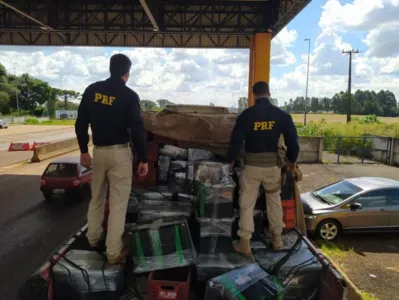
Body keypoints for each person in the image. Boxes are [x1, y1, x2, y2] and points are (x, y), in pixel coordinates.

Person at [75, 53, 148, 264]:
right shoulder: (129, 96)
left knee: (96, 197)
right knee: (118, 204)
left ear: (110, 69)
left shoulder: (92, 90)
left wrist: (83, 151)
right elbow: (137, 131)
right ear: (126, 73)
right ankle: (113, 252)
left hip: (98, 152)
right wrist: (143, 158)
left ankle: (92, 239)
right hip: (119, 153)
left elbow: (81, 123)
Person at [226, 81, 299, 258]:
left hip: (251, 168)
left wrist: (229, 160)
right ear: (269, 93)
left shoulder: (246, 115)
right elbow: (293, 142)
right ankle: (277, 239)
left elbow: (235, 142)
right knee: (274, 200)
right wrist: (291, 160)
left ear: (253, 95)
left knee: (247, 203)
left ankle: (245, 243)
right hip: (272, 168)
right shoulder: (281, 115)